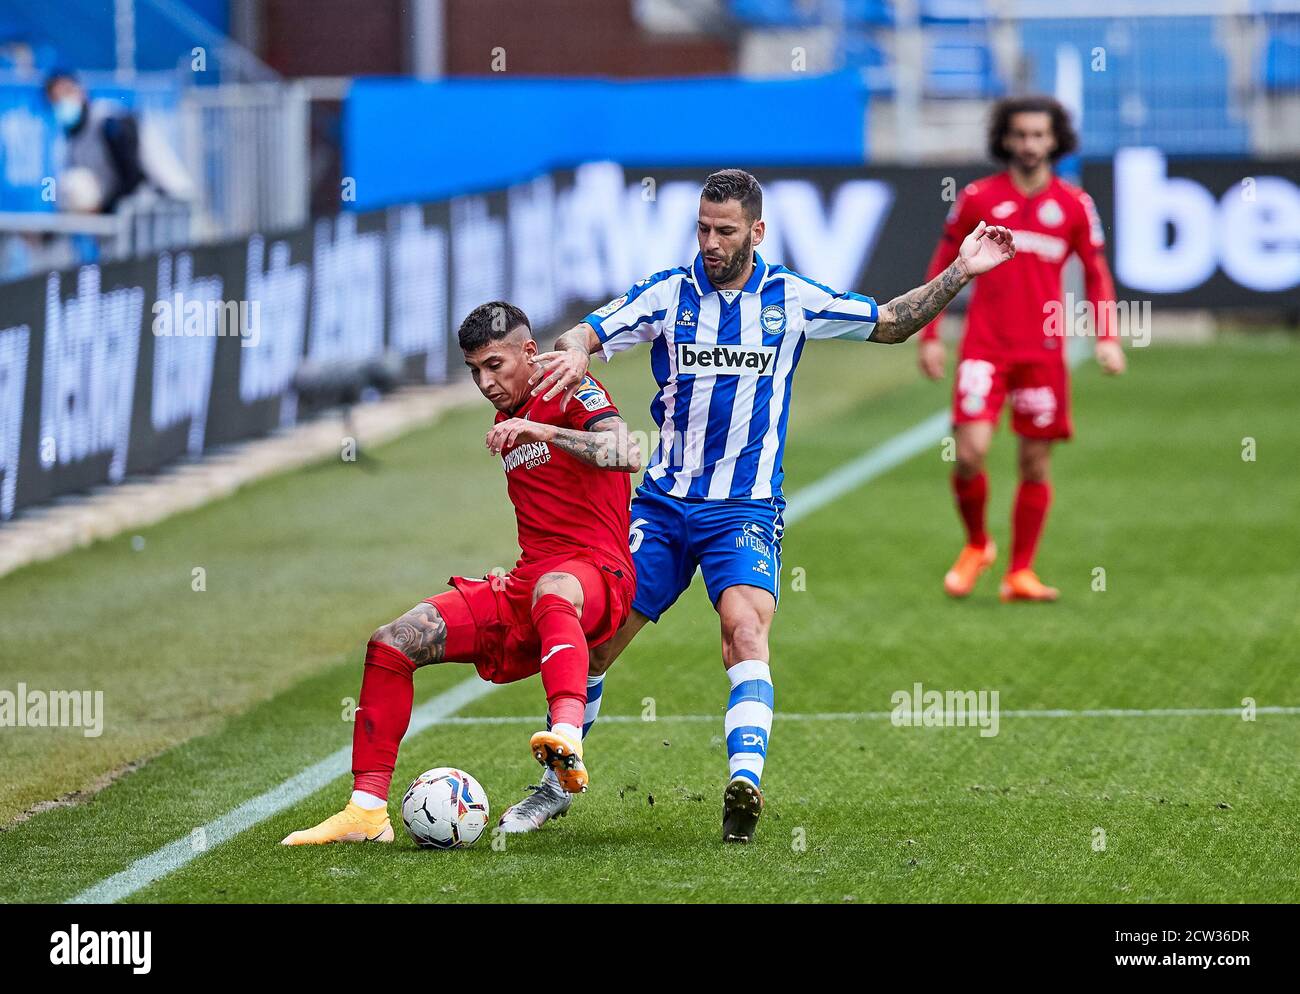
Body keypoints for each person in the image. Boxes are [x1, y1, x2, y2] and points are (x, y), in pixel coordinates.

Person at [522, 168, 1016, 842]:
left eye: (724, 231)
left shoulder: (792, 297)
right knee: (599, 643)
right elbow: (585, 331)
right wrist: (576, 352)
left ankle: (743, 785)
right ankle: (555, 787)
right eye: (702, 228)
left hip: (745, 510)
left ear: (757, 231)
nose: (711, 242)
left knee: (744, 633)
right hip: (663, 507)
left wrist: (962, 268)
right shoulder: (670, 294)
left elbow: (893, 323)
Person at [282, 302, 640, 845]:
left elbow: (623, 452)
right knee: (394, 642)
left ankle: (567, 738)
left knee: (553, 592)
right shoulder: (509, 411)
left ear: (527, 352)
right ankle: (365, 812)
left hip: (596, 572)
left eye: (495, 365)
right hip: (528, 582)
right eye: (475, 370)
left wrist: (539, 430)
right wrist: (523, 424)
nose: (485, 382)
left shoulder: (572, 388)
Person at [916, 96, 1126, 603]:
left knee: (1035, 463)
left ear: (1055, 141)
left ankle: (1020, 573)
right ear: (1005, 139)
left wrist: (1107, 336)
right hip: (984, 347)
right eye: (1020, 135)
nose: (1029, 144)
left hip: (1044, 351)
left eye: (1039, 135)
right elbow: (945, 261)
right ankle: (977, 545)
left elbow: (1096, 273)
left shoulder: (1075, 204)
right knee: (970, 453)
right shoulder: (977, 198)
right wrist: (928, 334)